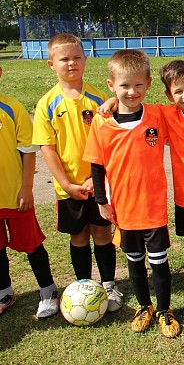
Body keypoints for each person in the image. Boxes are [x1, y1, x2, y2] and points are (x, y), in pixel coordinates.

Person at [99, 60, 184, 317]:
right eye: (178, 91)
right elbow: (133, 105)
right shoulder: (165, 115)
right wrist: (112, 101)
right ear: (168, 95)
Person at [83, 49, 181, 338]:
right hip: (123, 208)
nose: (132, 91)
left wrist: (113, 99)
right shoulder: (102, 122)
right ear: (111, 85)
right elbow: (97, 165)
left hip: (153, 207)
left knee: (159, 261)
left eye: (139, 85)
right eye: (124, 85)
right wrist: (101, 201)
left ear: (148, 84)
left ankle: (164, 310)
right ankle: (144, 306)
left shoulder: (157, 115)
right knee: (134, 260)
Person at [32, 33, 122, 311]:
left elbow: (111, 141)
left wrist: (97, 179)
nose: (71, 63)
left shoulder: (99, 99)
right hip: (69, 187)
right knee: (79, 237)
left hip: (98, 184)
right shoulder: (47, 103)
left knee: (102, 234)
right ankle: (84, 285)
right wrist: (66, 184)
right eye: (64, 59)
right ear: (51, 64)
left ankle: (109, 284)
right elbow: (47, 149)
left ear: (85, 60)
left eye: (76, 57)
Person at [0, 65, 60, 318]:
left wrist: (26, 188)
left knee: (32, 244)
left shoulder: (12, 108)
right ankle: (4, 292)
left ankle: (48, 290)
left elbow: (27, 151)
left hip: (14, 195)